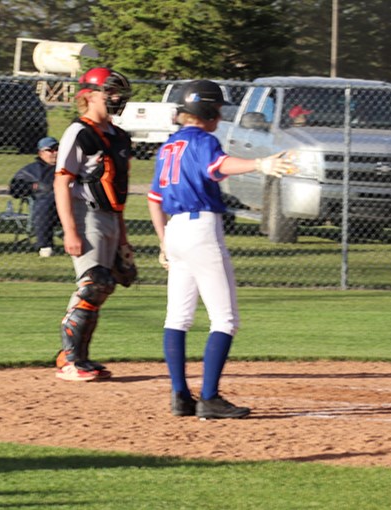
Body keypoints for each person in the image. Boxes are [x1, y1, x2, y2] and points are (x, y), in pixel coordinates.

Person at [147, 80, 296, 419]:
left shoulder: (169, 145)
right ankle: (210, 397)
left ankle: (180, 396)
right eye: (218, 109)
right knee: (225, 319)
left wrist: (163, 241)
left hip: (175, 230)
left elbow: (155, 200)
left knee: (178, 317)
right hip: (200, 229)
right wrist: (260, 164)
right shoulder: (202, 140)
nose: (220, 115)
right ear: (209, 110)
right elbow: (219, 166)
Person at [53, 67, 133, 382]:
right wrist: (70, 230)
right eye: (110, 92)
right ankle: (69, 359)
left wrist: (124, 239)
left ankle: (78, 357)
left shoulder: (120, 135)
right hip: (85, 215)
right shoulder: (79, 131)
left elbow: (119, 193)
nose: (116, 98)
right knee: (94, 283)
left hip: (111, 217)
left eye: (119, 93)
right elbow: (62, 182)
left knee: (105, 285)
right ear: (89, 94)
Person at [9, 136, 60, 257]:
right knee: (45, 204)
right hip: (47, 207)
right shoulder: (31, 170)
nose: (55, 153)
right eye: (50, 150)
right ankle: (45, 245)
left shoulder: (70, 166)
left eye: (57, 149)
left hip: (73, 204)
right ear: (40, 153)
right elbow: (15, 189)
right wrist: (33, 187)